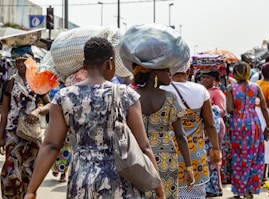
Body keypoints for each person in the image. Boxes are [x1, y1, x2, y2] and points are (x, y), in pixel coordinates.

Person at [24, 37, 165, 199]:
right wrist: (159, 191)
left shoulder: (64, 97)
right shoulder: (126, 96)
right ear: (110, 63)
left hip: (82, 183)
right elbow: (143, 146)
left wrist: (31, 190)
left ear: (84, 65)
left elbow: (50, 146)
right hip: (121, 184)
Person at [119, 23, 195, 199]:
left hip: (136, 159)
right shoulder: (170, 99)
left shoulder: (129, 97)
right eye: (166, 70)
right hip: (166, 160)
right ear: (154, 73)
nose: (171, 74)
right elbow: (181, 136)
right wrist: (189, 167)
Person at [161, 62, 221, 199]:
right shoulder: (200, 91)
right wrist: (216, 148)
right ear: (189, 71)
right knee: (194, 194)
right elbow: (210, 124)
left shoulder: (161, 89)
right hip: (195, 154)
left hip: (168, 153)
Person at [0, 46, 51, 199]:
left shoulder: (37, 80)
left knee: (29, 172)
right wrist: (1, 136)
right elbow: (4, 110)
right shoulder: (10, 82)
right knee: (10, 172)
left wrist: (37, 111)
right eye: (17, 61)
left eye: (23, 61)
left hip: (31, 134)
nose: (20, 64)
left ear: (30, 61)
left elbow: (50, 105)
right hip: (12, 132)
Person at [226, 61, 269, 199]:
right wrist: (268, 127)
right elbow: (264, 108)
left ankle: (239, 189)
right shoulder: (256, 87)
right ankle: (249, 189)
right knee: (254, 156)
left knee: (238, 157)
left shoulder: (231, 88)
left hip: (237, 124)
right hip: (253, 123)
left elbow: (229, 109)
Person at [199, 68, 226, 197]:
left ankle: (215, 187)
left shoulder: (217, 93)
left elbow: (221, 110)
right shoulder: (201, 91)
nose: (204, 79)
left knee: (214, 156)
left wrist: (209, 109)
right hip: (205, 127)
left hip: (215, 126)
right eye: (203, 77)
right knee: (206, 158)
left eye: (207, 77)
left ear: (214, 80)